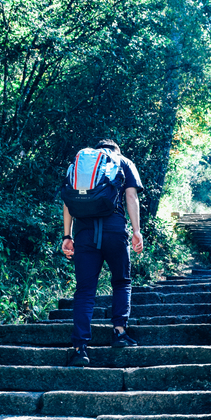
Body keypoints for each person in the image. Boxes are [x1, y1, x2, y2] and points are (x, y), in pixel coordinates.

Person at [61, 139, 144, 366]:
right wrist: (137, 231)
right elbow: (131, 196)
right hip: (115, 231)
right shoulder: (123, 161)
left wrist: (67, 236)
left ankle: (80, 348)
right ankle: (119, 333)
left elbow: (68, 201)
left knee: (85, 291)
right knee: (121, 282)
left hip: (85, 234)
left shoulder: (79, 165)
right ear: (115, 150)